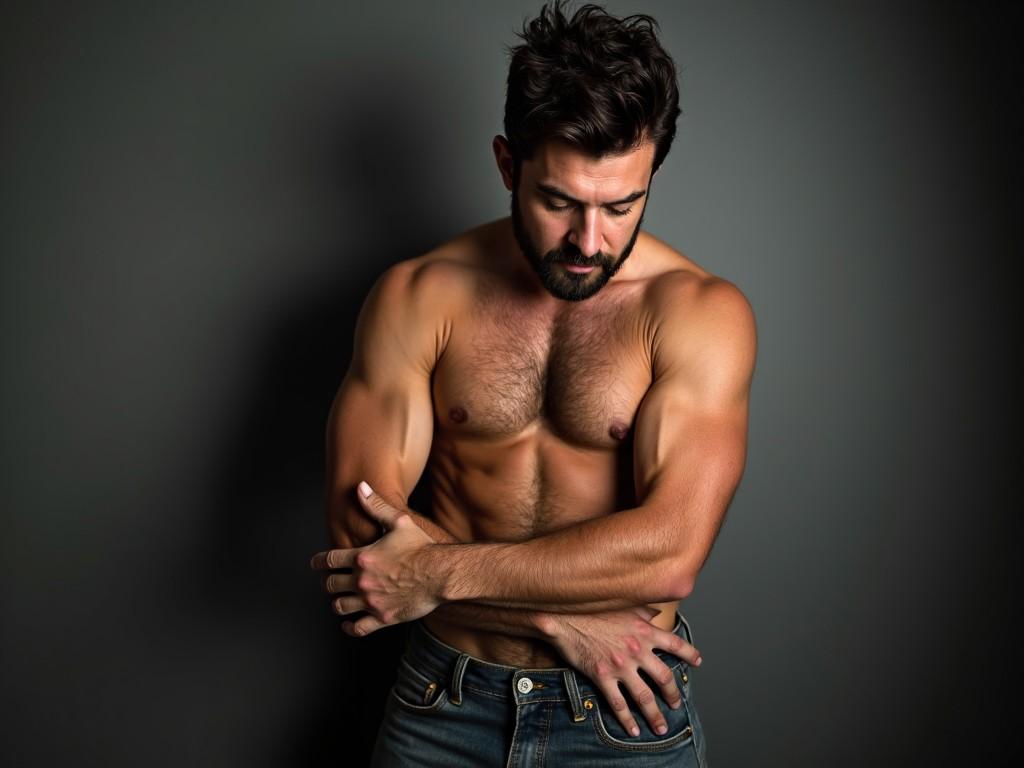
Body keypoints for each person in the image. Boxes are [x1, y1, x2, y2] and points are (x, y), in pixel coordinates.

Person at [310, 2, 755, 765]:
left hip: (621, 711)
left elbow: (670, 552)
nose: (590, 242)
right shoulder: (420, 299)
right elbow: (365, 545)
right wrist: (566, 623)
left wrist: (437, 574)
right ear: (508, 165)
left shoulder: (696, 313)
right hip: (443, 705)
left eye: (622, 206)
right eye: (560, 203)